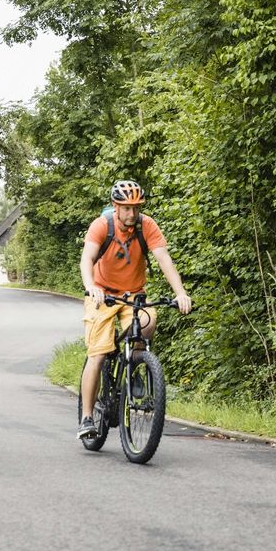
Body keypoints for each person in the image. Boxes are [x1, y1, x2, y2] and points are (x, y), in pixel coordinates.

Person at [78, 180, 192, 438]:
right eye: (126, 208)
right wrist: (91, 286)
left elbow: (164, 258)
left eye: (136, 208)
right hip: (102, 295)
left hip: (134, 295)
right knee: (97, 354)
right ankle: (87, 417)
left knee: (148, 323)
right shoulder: (101, 226)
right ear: (115, 206)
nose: (132, 213)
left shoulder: (147, 225)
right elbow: (87, 258)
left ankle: (135, 367)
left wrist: (180, 293)